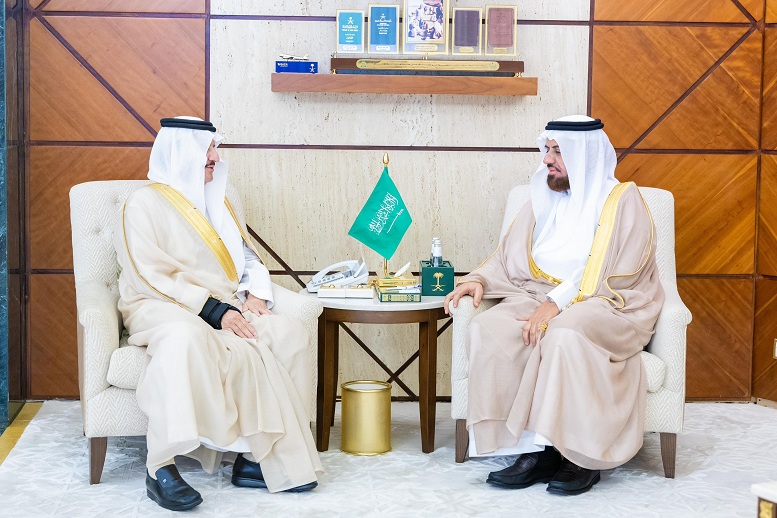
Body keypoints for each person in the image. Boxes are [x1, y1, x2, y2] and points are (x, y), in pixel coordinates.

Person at [444, 115, 664, 496]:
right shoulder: (543, 198)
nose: (547, 159)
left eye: (558, 151)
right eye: (547, 149)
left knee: (561, 335)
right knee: (488, 329)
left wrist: (557, 304)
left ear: (585, 156)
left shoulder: (622, 201)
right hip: (536, 294)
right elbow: (507, 256)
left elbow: (619, 276)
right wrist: (478, 279)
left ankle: (579, 456)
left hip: (609, 304)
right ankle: (534, 449)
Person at [114, 116, 322, 511]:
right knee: (185, 338)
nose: (216, 157)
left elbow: (245, 257)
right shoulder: (143, 203)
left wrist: (255, 293)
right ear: (184, 153)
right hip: (160, 305)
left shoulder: (218, 200)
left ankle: (256, 461)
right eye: (209, 149)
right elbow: (148, 274)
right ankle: (161, 467)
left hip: (224, 303)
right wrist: (213, 310)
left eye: (215, 148)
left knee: (289, 335)